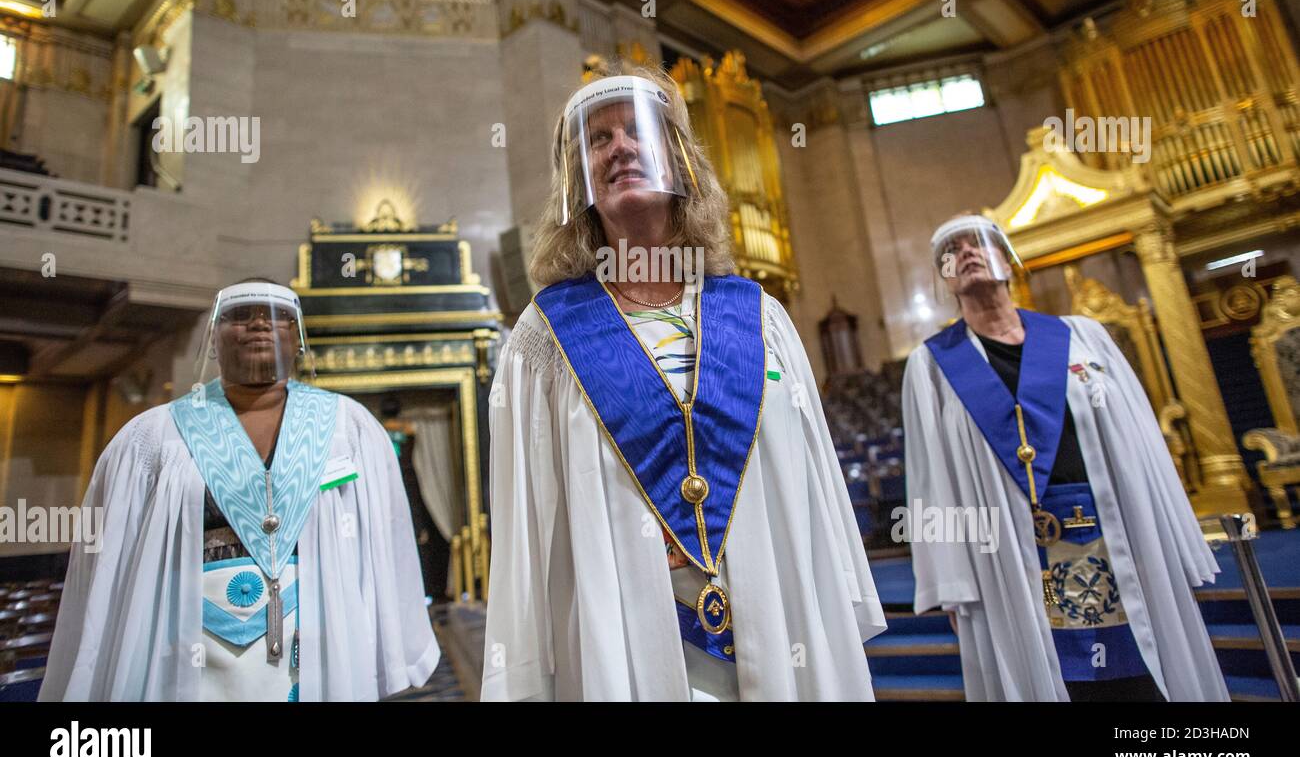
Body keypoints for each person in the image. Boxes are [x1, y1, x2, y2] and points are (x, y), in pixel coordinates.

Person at [482, 66, 884, 701]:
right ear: (577, 183)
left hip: (776, 627)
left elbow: (813, 491)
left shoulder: (760, 318)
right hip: (628, 645)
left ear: (680, 160)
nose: (620, 147)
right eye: (598, 138)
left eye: (638, 130)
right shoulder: (544, 340)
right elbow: (528, 529)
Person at [40, 278, 438, 701]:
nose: (258, 325)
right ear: (213, 338)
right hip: (188, 646)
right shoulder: (154, 437)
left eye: (276, 317)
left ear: (298, 339)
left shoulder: (349, 428)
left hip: (319, 640)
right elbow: (106, 562)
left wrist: (393, 640)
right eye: (239, 315)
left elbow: (387, 539)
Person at [902, 214, 1228, 701]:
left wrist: (1172, 532)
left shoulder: (1082, 337)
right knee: (1054, 678)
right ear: (944, 276)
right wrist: (951, 579)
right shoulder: (931, 365)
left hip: (1114, 527)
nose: (967, 252)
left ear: (1010, 261)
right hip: (1011, 548)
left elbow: (1142, 438)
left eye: (980, 243)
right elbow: (932, 477)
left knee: (1142, 675)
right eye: (952, 250)